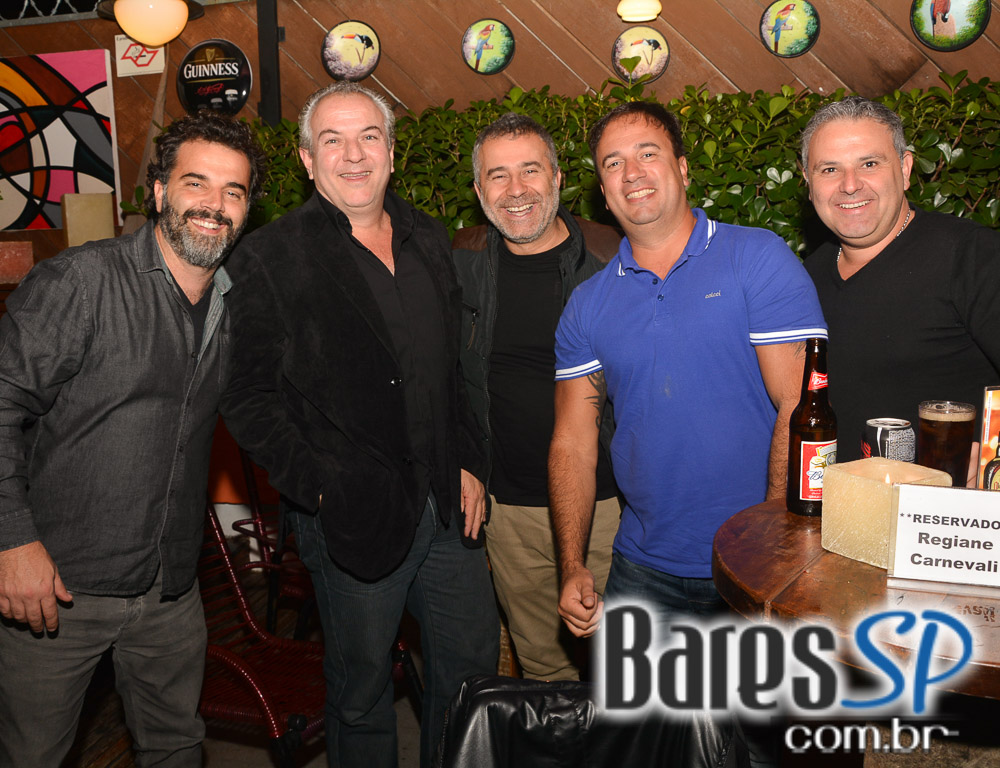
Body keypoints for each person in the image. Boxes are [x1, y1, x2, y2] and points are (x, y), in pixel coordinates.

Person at [220, 82, 499, 768]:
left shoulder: (428, 236)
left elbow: (449, 372)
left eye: (369, 137)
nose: (353, 155)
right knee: (362, 692)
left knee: (470, 678)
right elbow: (247, 395)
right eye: (333, 140)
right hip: (352, 515)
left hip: (448, 507)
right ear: (307, 159)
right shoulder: (270, 256)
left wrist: (468, 459)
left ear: (392, 153)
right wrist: (321, 488)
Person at [0, 111, 265, 767]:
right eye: (197, 183)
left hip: (170, 593)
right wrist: (12, 542)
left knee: (177, 748)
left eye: (233, 191)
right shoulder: (81, 282)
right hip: (57, 588)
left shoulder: (235, 304)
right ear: (159, 191)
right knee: (33, 756)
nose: (214, 205)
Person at [549, 101, 827, 637]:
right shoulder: (587, 305)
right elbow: (572, 443)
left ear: (681, 168)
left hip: (754, 565)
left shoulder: (756, 258)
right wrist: (573, 565)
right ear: (602, 190)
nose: (632, 173)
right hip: (641, 567)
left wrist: (769, 545)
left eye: (647, 154)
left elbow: (801, 406)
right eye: (613, 163)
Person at [452, 114, 621, 681]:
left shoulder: (611, 265)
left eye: (530, 170)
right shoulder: (459, 268)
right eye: (498, 175)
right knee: (545, 674)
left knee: (626, 675)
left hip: (609, 509)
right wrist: (464, 458)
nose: (516, 189)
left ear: (557, 178)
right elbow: (439, 376)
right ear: (479, 190)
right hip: (509, 516)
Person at [801, 96, 1000, 469]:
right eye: (829, 169)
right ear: (809, 182)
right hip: (835, 501)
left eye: (869, 164)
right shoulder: (805, 278)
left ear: (906, 169)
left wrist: (994, 459)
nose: (849, 185)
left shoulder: (971, 255)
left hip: (942, 503)